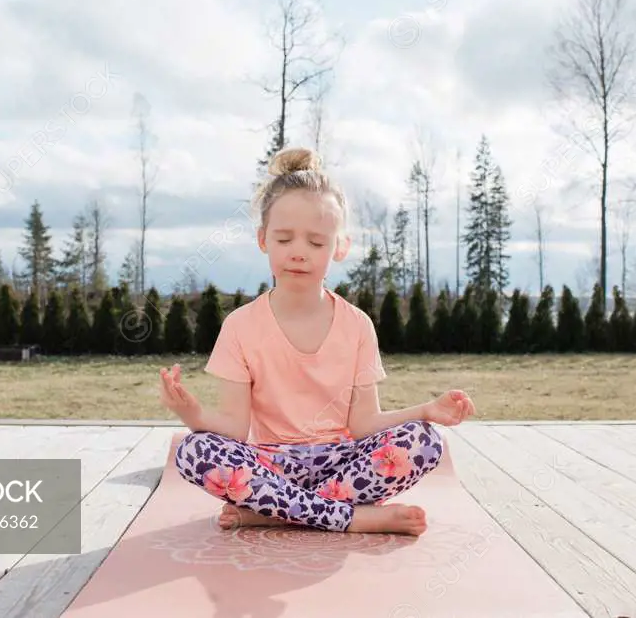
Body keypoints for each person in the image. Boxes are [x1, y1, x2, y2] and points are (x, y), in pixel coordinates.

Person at [159, 147, 475, 536]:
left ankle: (275, 513)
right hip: (269, 465)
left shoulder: (357, 325)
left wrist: (427, 410)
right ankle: (353, 518)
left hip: (343, 466)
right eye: (284, 238)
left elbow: (364, 425)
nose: (298, 253)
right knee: (195, 451)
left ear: (339, 247)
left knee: (425, 441)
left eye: (316, 242)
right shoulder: (240, 325)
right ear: (263, 240)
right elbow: (235, 429)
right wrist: (190, 413)